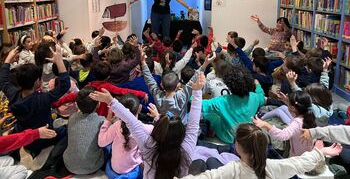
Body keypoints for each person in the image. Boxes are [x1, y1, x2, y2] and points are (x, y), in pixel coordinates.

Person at [89, 72, 205, 179]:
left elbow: (130, 121)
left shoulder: (148, 146)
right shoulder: (187, 149)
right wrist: (197, 92)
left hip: (121, 170)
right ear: (182, 134)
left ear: (157, 130)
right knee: (202, 164)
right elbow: (194, 124)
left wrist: (111, 101)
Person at [180, 123, 342, 179]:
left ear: (237, 145)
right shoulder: (272, 166)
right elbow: (299, 163)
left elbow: (209, 176)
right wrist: (322, 152)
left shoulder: (233, 169)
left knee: (207, 162)